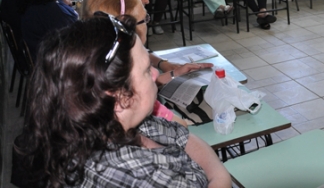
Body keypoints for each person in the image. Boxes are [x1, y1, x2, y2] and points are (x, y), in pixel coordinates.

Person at [12, 16, 231, 188]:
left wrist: (217, 177)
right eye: (146, 71)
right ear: (118, 96)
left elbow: (183, 136)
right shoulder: (140, 177)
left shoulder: (108, 117)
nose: (155, 74)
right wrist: (221, 177)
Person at [88, 0, 208, 86]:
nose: (147, 23)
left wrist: (174, 73)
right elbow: (143, 91)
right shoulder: (121, 71)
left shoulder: (102, 57)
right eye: (145, 19)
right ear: (125, 27)